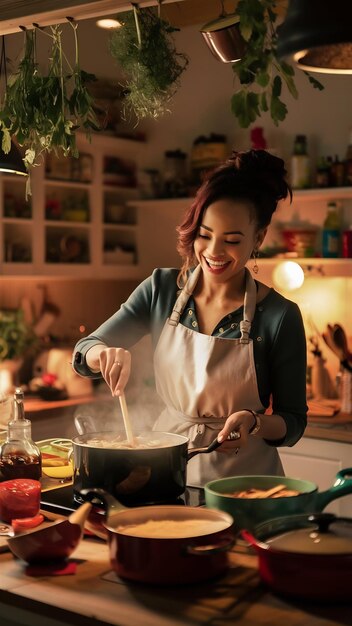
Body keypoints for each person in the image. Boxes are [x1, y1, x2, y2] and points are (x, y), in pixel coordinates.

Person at [72, 149, 307, 487]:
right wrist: (102, 354)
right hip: (166, 470)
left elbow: (293, 422)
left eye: (232, 240)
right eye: (204, 234)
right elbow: (84, 350)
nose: (213, 252)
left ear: (258, 238)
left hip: (246, 484)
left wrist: (254, 423)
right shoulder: (161, 290)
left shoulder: (280, 316)